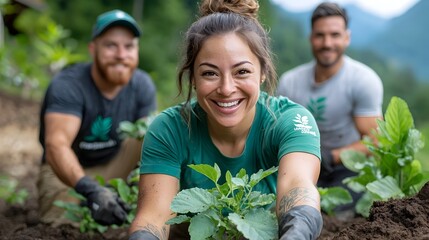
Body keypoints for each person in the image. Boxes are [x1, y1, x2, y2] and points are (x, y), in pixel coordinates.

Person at [129, 0, 323, 239]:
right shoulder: (169, 128)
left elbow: (298, 187)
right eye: (210, 73)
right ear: (193, 79)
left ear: (263, 72)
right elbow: (153, 218)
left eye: (242, 71)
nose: (226, 88)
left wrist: (296, 234)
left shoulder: (290, 120)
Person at [37, 9, 157, 227]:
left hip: (115, 162)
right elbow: (56, 145)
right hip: (68, 169)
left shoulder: (142, 85)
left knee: (152, 135)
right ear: (93, 49)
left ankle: (148, 210)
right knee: (64, 226)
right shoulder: (69, 85)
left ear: (137, 50)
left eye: (129, 46)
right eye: (111, 45)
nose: (121, 54)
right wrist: (90, 189)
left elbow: (154, 148)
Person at [276, 2, 383, 217]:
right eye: (320, 35)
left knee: (335, 217)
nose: (327, 43)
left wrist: (331, 156)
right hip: (299, 164)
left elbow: (375, 141)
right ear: (310, 38)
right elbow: (276, 131)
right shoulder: (290, 82)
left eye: (335, 35)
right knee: (285, 213)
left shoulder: (363, 80)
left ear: (347, 37)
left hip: (345, 168)